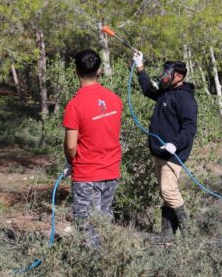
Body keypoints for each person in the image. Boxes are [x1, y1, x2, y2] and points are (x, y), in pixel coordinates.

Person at [132, 51, 197, 243]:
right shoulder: (165, 91)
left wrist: (175, 144)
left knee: (169, 191)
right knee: (166, 192)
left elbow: (190, 127)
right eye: (164, 72)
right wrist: (140, 67)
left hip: (172, 154)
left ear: (178, 76)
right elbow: (147, 89)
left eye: (167, 73)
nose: (164, 75)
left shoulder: (185, 98)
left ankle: (190, 235)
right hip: (160, 152)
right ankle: (167, 236)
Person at [62, 49, 123, 248]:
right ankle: (107, 261)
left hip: (86, 173)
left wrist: (71, 162)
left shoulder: (75, 105)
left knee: (86, 225)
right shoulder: (114, 99)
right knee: (103, 221)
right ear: (98, 70)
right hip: (111, 172)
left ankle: (94, 265)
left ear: (75, 71)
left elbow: (71, 145)